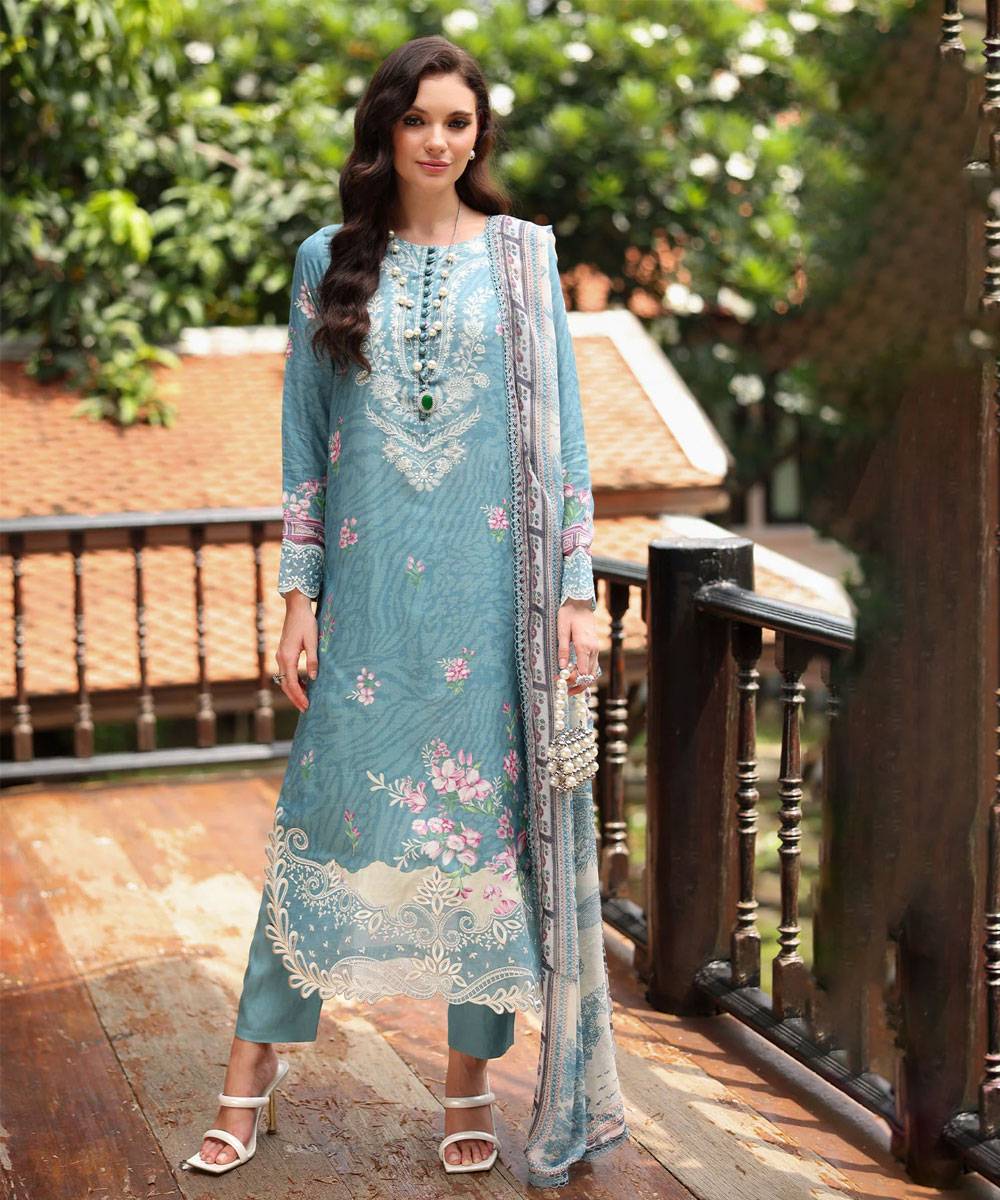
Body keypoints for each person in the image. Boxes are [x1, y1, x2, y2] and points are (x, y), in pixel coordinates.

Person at [182, 33, 626, 1185]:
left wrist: (575, 595)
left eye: (457, 122)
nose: (437, 140)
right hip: (370, 602)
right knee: (323, 821)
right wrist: (298, 596)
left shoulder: (524, 259)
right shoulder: (327, 260)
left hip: (492, 606)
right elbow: (304, 446)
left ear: (480, 136)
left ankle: (466, 1081)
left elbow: (568, 444)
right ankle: (247, 1076)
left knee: (483, 842)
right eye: (417, 118)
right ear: (386, 128)